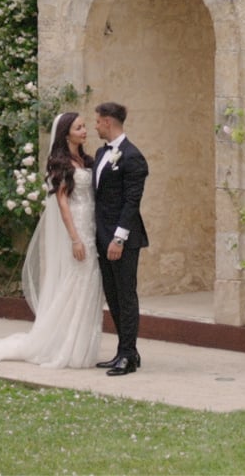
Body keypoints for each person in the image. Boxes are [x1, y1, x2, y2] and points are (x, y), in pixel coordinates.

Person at [0, 111, 105, 369]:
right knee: (75, 282)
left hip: (91, 224)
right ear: (66, 133)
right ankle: (64, 346)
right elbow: (62, 202)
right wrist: (75, 239)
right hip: (78, 227)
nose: (84, 131)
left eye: (83, 127)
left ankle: (82, 347)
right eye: (79, 127)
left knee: (90, 284)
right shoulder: (61, 163)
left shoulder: (87, 160)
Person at [92, 101, 147, 376]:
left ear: (109, 122)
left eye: (98, 121)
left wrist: (119, 239)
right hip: (102, 237)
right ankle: (125, 351)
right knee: (112, 297)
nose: (95, 126)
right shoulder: (101, 153)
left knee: (126, 296)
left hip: (122, 240)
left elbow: (131, 202)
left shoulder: (132, 156)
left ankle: (128, 354)